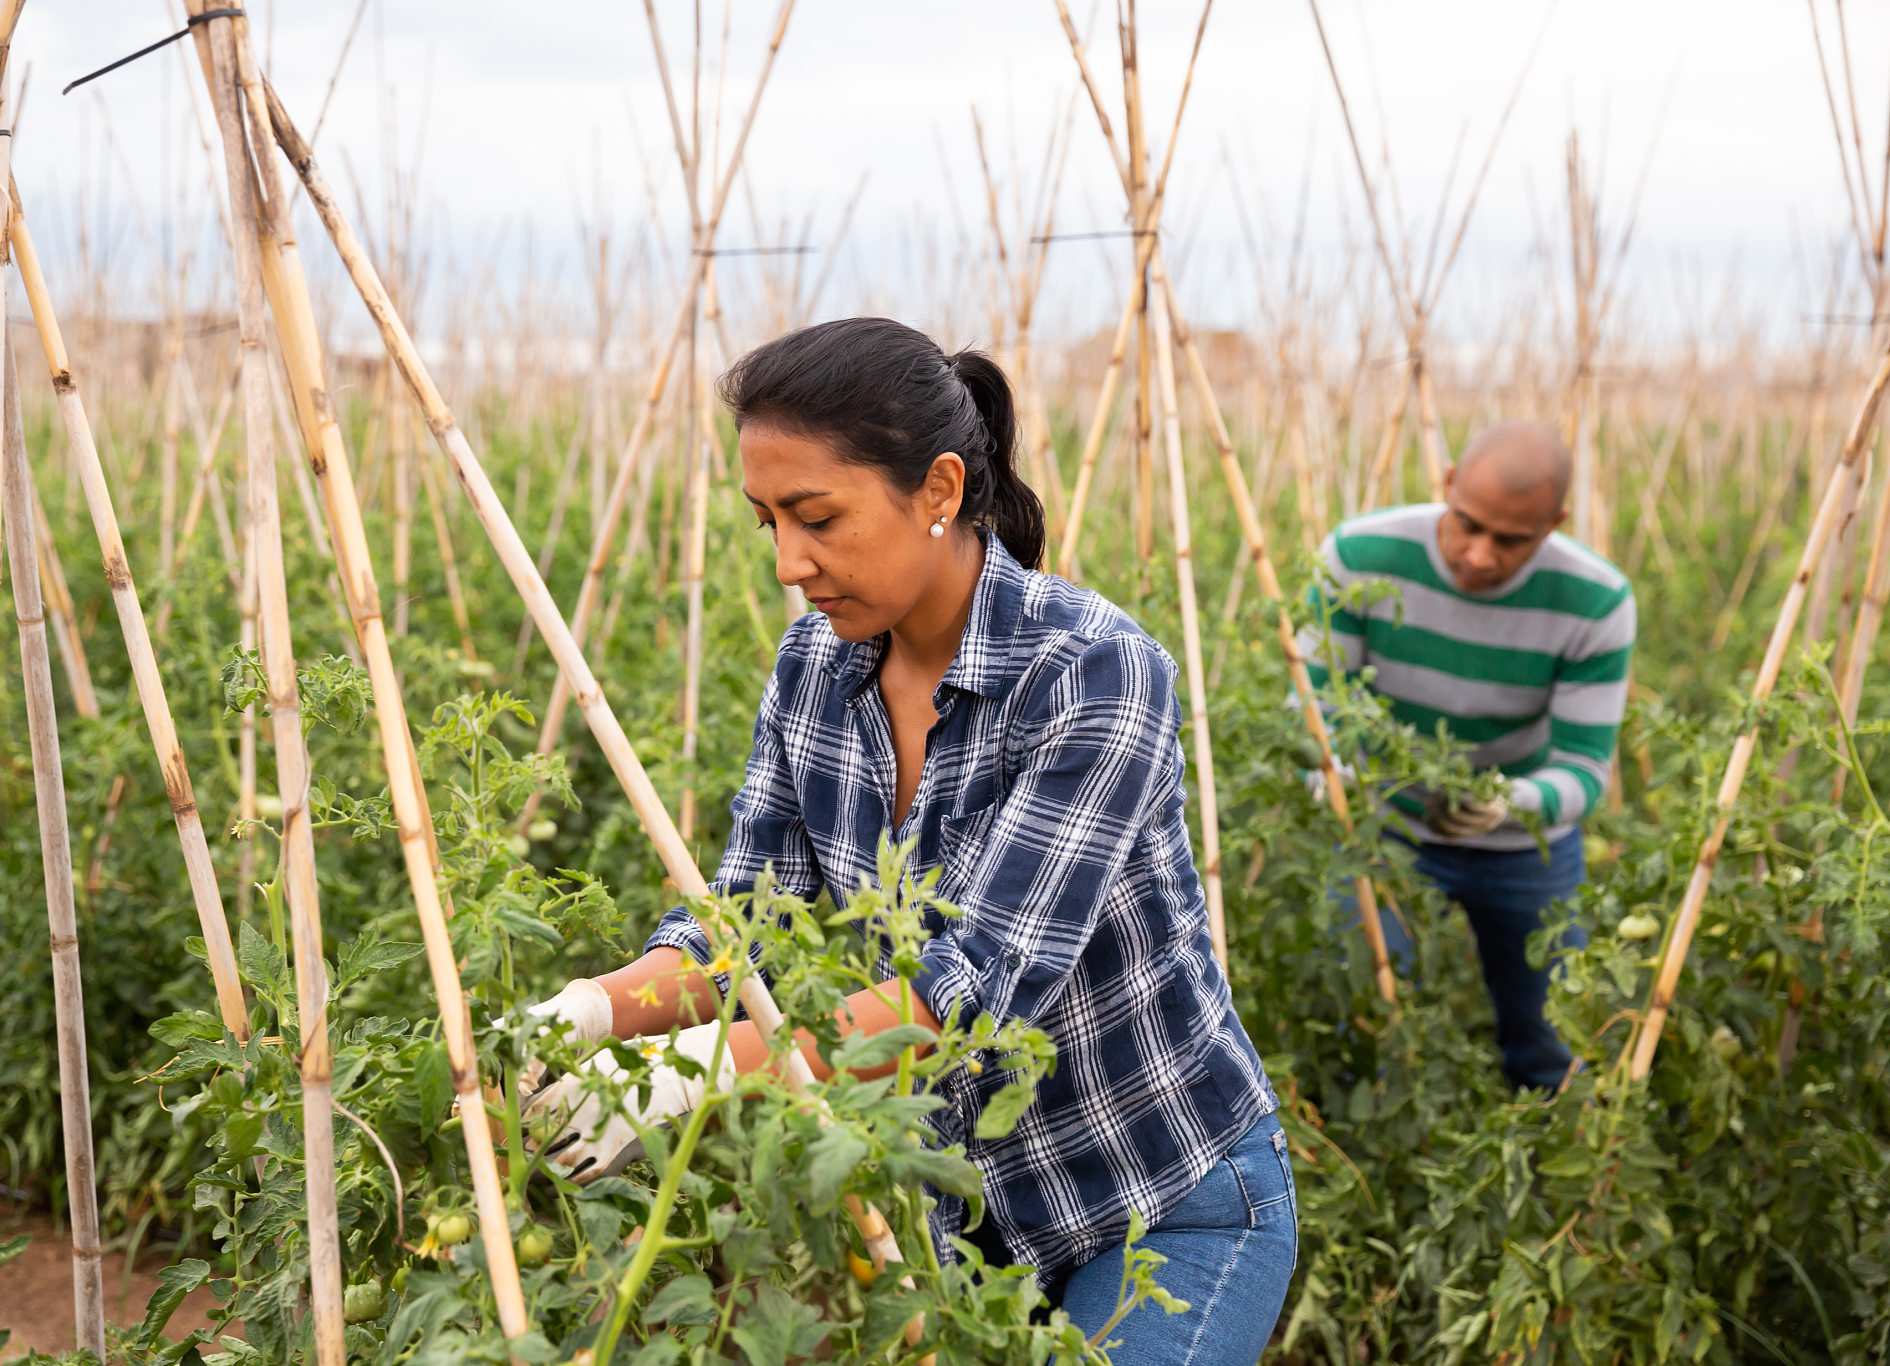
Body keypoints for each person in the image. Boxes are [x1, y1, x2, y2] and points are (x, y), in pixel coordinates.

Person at [522, 317, 1295, 1362]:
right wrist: (593, 1012)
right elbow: (747, 923)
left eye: (818, 517)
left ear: (936, 490)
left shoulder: (1091, 673)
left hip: (1160, 1198)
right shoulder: (814, 670)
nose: (791, 561)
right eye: (768, 524)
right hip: (966, 1231)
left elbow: (966, 995)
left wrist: (687, 1081)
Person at [1303, 421, 1635, 1091]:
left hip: (1522, 845)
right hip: (1383, 831)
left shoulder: (1595, 601)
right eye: (1469, 525)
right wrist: (1329, 771)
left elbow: (1584, 768)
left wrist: (1508, 804)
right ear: (1447, 483)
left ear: (1555, 524)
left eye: (1511, 541)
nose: (1480, 556)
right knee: (1364, 1024)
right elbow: (1319, 707)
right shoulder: (1359, 555)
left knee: (1552, 1036)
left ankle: (1555, 1170)